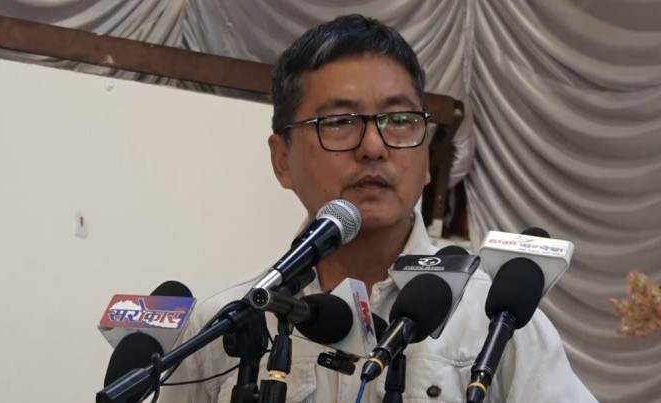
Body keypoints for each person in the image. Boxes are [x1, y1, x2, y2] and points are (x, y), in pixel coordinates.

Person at [161, 14, 596, 402]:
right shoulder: (230, 323)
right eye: (339, 122)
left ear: (427, 155)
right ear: (282, 161)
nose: (373, 146)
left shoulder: (494, 322)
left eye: (399, 120)